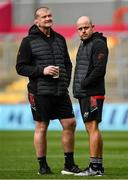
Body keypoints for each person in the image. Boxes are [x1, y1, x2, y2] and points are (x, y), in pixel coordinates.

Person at [16, 7, 81, 175]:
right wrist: (42, 71)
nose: (48, 18)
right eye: (44, 16)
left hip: (60, 90)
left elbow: (67, 63)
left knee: (70, 123)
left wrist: (65, 80)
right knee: (42, 126)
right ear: (36, 21)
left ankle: (69, 164)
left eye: (49, 15)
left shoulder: (60, 38)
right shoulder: (27, 41)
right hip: (39, 91)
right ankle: (43, 166)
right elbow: (21, 67)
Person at [73, 16, 109, 176]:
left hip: (92, 92)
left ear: (92, 26)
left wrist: (84, 84)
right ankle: (98, 167)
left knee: (92, 127)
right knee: (92, 128)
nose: (83, 31)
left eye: (86, 27)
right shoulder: (84, 44)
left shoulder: (98, 44)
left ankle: (94, 167)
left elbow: (99, 69)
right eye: (80, 29)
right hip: (85, 93)